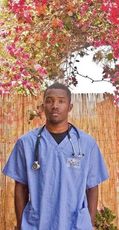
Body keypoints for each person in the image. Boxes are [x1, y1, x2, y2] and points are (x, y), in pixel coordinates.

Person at [2, 82, 109, 230]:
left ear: (70, 107)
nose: (55, 106)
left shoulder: (86, 144)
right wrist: (21, 224)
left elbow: (92, 187)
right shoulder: (26, 143)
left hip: (74, 224)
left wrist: (89, 224)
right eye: (49, 100)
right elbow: (20, 187)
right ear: (42, 106)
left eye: (61, 101)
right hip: (37, 223)